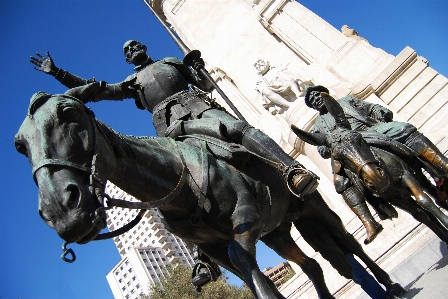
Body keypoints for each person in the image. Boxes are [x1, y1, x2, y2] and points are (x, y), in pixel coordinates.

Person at [305, 85, 448, 243]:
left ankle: (439, 167)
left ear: (325, 93)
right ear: (311, 106)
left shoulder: (346, 101)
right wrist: (328, 146)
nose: (316, 99)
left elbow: (370, 108)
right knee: (340, 182)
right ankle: (369, 222)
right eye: (311, 100)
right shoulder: (317, 128)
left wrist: (379, 111)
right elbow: (322, 150)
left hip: (371, 132)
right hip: (346, 150)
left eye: (317, 95)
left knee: (404, 129)